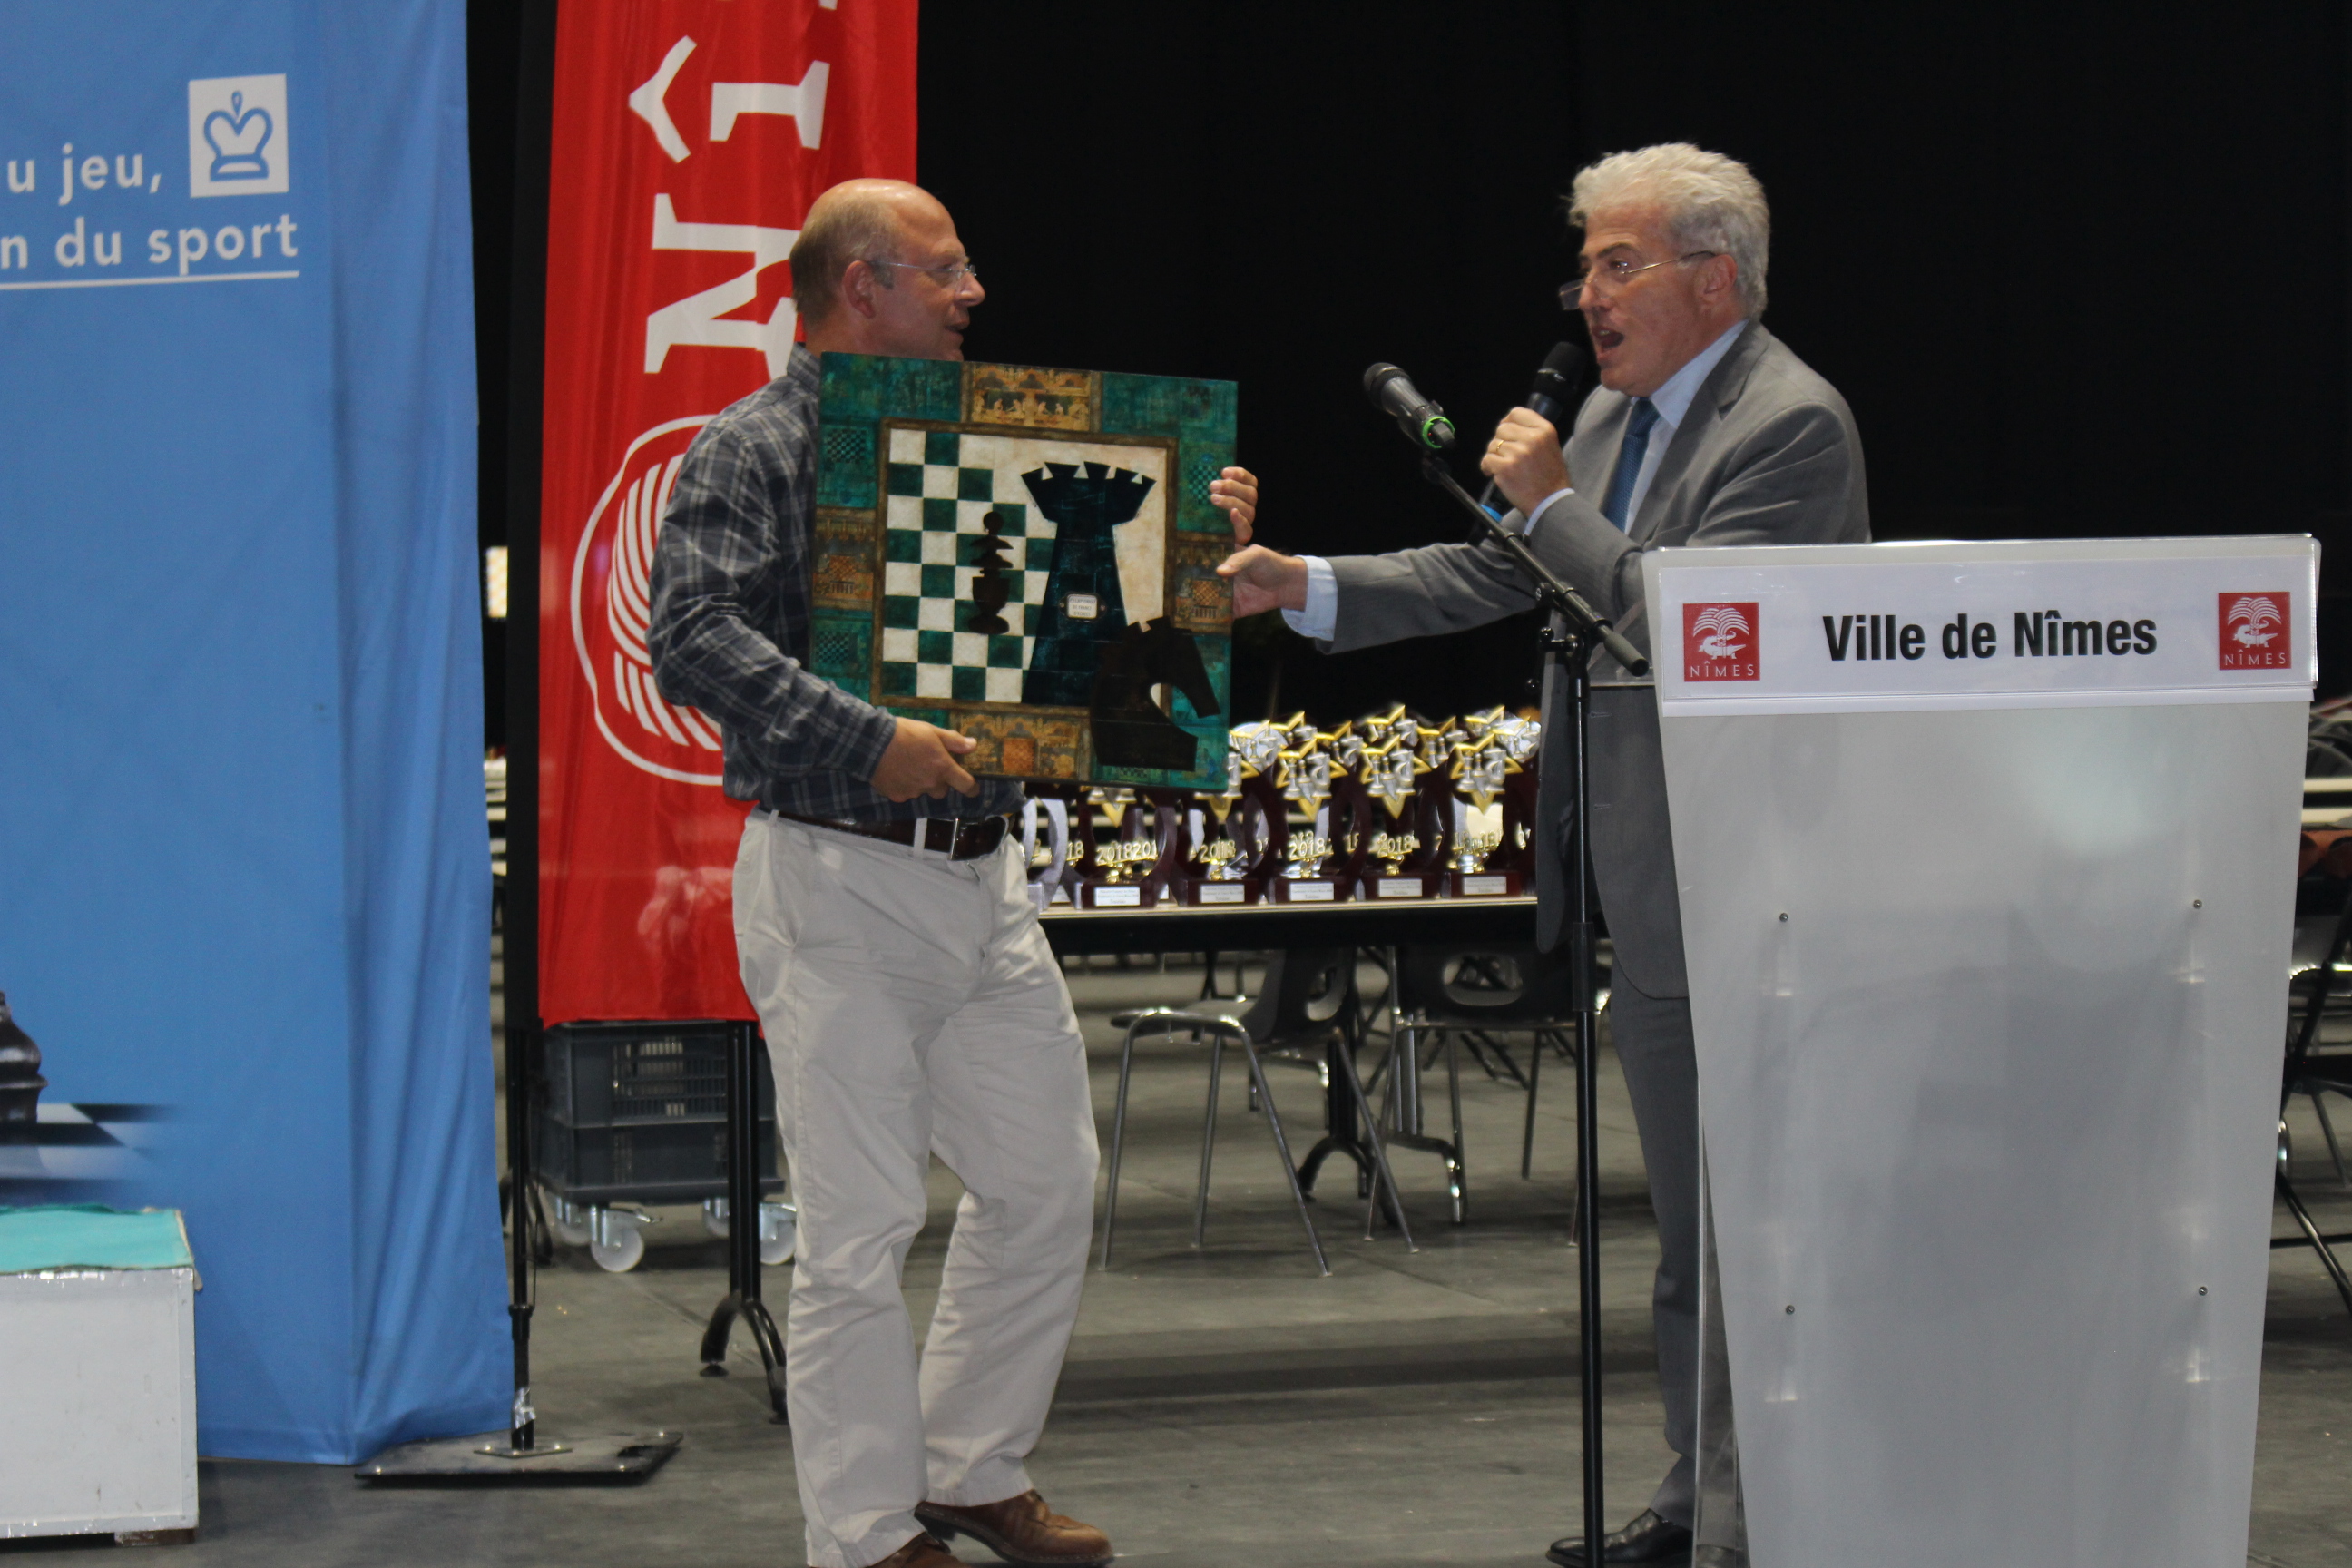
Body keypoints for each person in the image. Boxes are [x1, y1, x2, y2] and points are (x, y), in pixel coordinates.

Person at [1213, 143, 1868, 1568]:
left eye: (1617, 265)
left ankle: (1756, 1522)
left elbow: (1695, 635)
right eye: (1583, 269)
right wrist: (1301, 586)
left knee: (1752, 1223)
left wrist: (1560, 503)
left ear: (1716, 279)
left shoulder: (1790, 427)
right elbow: (1493, 569)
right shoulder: (1625, 417)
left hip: (1758, 888)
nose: (1588, 298)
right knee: (1692, 1219)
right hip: (1657, 878)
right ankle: (1699, 1504)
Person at [648, 179, 1112, 1568]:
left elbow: (1074, 621)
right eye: (946, 270)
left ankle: (968, 1469)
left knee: (1047, 1185)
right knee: (859, 1230)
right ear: (864, 287)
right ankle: (860, 1535)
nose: (974, 293)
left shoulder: (983, 440)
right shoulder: (753, 446)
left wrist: (1187, 547)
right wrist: (872, 739)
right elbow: (690, 634)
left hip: (984, 876)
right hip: (837, 878)